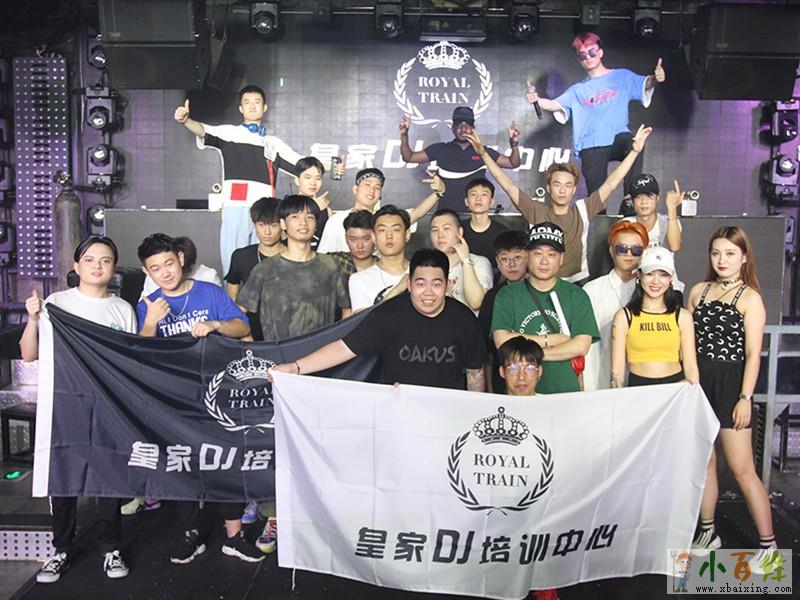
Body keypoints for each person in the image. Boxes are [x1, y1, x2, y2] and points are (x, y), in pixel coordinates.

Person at [136, 234, 259, 564]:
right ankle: (191, 535)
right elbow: (140, 355)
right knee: (181, 465)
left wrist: (215, 324)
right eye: (155, 268)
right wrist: (151, 322)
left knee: (229, 461)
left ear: (180, 259)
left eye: (169, 263)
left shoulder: (210, 292)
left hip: (219, 394)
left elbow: (242, 326)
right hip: (175, 399)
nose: (165, 272)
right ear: (146, 271)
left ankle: (234, 536)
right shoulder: (148, 304)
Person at [19, 236, 136, 583]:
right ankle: (60, 549)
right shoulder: (57, 304)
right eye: (90, 259)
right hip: (65, 405)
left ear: (114, 267)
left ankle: (111, 548)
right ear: (76, 266)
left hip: (108, 406)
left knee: (109, 479)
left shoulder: (122, 309)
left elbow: (130, 361)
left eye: (105, 260)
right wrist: (32, 319)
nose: (97, 266)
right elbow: (28, 354)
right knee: (63, 477)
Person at [688, 227, 777, 570]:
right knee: (705, 463)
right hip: (700, 386)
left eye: (729, 253)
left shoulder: (750, 298)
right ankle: (708, 532)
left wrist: (745, 397)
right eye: (716, 253)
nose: (722, 260)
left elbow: (754, 355)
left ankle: (769, 547)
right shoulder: (698, 292)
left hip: (732, 387)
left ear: (743, 257)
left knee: (742, 471)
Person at [273, 248, 487, 391]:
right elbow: (343, 348)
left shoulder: (464, 320)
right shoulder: (388, 314)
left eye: (437, 284)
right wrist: (296, 368)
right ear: (409, 284)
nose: (428, 292)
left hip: (445, 412)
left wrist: (473, 414)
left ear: (448, 285)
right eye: (421, 284)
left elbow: (475, 373)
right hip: (397, 410)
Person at [467, 125, 652, 283]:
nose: (562, 190)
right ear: (549, 188)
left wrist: (634, 152)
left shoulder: (583, 209)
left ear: (574, 189)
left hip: (576, 283)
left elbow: (611, 183)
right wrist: (483, 153)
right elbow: (507, 184)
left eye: (568, 185)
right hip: (540, 282)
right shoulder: (535, 210)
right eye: (557, 184)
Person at [526, 32, 665, 215]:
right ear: (579, 60)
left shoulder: (621, 77)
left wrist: (655, 78)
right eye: (582, 55)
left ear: (600, 52)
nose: (588, 58)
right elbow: (554, 104)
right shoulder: (578, 90)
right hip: (591, 144)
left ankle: (630, 199)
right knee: (597, 200)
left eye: (592, 52)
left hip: (618, 138)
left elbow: (645, 84)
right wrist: (536, 100)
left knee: (634, 145)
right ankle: (599, 221)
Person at [174, 85, 306, 274]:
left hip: (266, 210)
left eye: (257, 102)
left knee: (267, 265)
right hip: (236, 205)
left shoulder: (274, 143)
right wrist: (186, 120)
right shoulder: (229, 133)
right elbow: (202, 130)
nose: (252, 106)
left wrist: (333, 167)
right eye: (247, 102)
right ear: (240, 108)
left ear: (264, 108)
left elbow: (303, 165)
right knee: (233, 261)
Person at [492, 222, 599, 394]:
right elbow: (501, 341)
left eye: (551, 254)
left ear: (561, 258)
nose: (544, 261)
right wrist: (552, 340)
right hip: (521, 394)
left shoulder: (576, 295)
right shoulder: (508, 295)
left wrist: (530, 354)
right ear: (527, 255)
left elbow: (581, 346)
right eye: (537, 253)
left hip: (564, 392)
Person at [237, 195, 352, 341]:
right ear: (283, 224)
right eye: (295, 217)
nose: (303, 222)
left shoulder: (331, 265)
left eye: (309, 217)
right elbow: (238, 313)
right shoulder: (265, 269)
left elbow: (347, 310)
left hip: (322, 352)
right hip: (277, 353)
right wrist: (251, 347)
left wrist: (337, 346)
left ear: (316, 224)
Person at [399, 106, 521, 211]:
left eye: (467, 125)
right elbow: (408, 157)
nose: (463, 129)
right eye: (459, 125)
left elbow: (513, 163)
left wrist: (514, 144)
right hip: (447, 213)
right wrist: (404, 135)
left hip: (475, 214)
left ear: (473, 128)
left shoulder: (483, 152)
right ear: (452, 128)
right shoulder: (440, 149)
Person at [609, 246, 698, 389]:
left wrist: (690, 387)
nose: (656, 281)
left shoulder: (682, 316)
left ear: (671, 278)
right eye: (650, 274)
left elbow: (691, 367)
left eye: (663, 275)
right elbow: (617, 371)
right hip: (639, 388)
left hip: (675, 388)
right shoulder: (624, 317)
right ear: (639, 275)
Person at [582, 221, 649, 391]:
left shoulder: (652, 292)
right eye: (622, 248)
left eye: (636, 250)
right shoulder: (592, 290)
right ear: (612, 251)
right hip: (597, 378)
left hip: (640, 382)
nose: (629, 254)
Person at [317, 167, 444, 253]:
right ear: (355, 189)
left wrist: (438, 193)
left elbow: (416, 214)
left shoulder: (384, 220)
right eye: (367, 185)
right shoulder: (336, 220)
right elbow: (324, 255)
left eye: (377, 187)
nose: (372, 191)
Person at [478, 230, 530, 393]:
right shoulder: (492, 297)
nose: (511, 265)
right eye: (505, 259)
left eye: (517, 258)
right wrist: (489, 388)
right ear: (498, 263)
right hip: (502, 378)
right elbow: (486, 351)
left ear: (529, 257)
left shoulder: (542, 291)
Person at [348, 205, 411, 311]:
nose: (389, 236)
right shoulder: (360, 280)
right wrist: (397, 290)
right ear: (373, 237)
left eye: (396, 229)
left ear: (407, 234)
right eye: (382, 230)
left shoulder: (422, 272)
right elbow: (363, 319)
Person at [429, 208, 493, 312]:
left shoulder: (479, 262)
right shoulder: (426, 266)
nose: (440, 235)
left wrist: (466, 260)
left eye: (446, 228)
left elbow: (476, 302)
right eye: (435, 230)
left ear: (460, 232)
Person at [142, 236, 222, 297]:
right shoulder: (152, 278)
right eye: (156, 269)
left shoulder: (209, 279)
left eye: (170, 264)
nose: (166, 274)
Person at [460, 178, 509, 275]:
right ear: (466, 201)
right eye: (473, 194)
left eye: (484, 194)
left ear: (491, 202)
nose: (478, 199)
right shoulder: (458, 229)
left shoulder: (503, 232)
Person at [623, 173, 683, 251]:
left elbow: (674, 247)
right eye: (638, 197)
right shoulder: (625, 224)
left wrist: (672, 209)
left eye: (649, 196)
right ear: (632, 201)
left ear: (657, 199)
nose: (644, 202)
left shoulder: (668, 221)